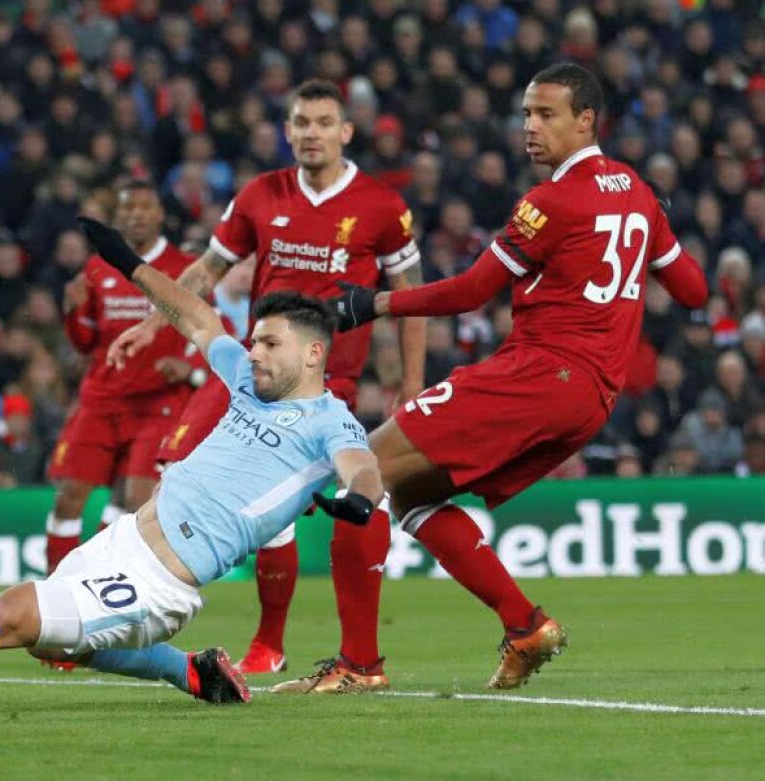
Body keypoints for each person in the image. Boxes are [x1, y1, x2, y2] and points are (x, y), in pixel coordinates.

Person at [0, 217, 385, 705]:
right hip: (123, 542)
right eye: (253, 340)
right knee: (55, 645)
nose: (252, 352)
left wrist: (358, 497)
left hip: (160, 582)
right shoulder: (249, 382)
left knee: (7, 614)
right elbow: (196, 316)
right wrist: (128, 261)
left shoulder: (330, 421)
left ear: (312, 354)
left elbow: (362, 464)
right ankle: (191, 674)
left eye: (268, 344)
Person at [275, 63, 708, 693]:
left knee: (364, 468)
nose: (530, 127)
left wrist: (373, 304)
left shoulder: (549, 202)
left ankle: (357, 666)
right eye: (527, 114)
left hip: (539, 373)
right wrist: (657, 227)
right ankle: (524, 625)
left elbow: (473, 291)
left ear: (586, 120)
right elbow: (693, 291)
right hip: (591, 399)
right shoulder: (637, 191)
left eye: (546, 114)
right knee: (416, 498)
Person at [110, 79, 426, 678]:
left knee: (306, 500)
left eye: (324, 123)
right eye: (301, 123)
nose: (312, 133)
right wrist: (153, 325)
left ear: (346, 132)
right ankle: (144, 603)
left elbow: (408, 300)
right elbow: (207, 270)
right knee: (175, 465)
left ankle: (281, 642)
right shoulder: (260, 195)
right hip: (252, 376)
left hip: (327, 387)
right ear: (287, 131)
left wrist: (410, 385)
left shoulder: (382, 207)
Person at [43, 181, 194, 574]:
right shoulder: (97, 268)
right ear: (118, 216)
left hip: (156, 402)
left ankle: (98, 582)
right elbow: (85, 342)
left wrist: (190, 367)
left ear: (160, 214)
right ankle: (55, 587)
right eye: (129, 208)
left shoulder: (181, 268)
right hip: (102, 398)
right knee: (69, 496)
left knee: (135, 502)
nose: (136, 214)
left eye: (145, 206)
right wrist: (73, 312)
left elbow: (206, 326)